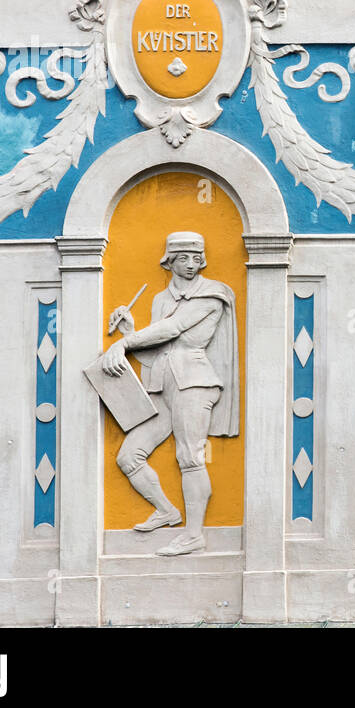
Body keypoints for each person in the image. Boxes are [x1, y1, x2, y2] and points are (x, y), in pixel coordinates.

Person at [99, 231, 239, 556]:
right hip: (163, 385)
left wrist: (123, 344)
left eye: (196, 258)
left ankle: (194, 535)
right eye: (183, 258)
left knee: (189, 457)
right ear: (170, 261)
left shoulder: (212, 294)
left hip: (194, 381)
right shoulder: (161, 299)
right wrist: (130, 331)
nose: (191, 265)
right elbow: (155, 352)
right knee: (128, 456)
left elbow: (173, 329)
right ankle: (166, 511)